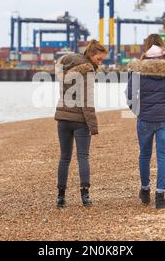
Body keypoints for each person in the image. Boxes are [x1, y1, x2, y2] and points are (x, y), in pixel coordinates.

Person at [126, 34, 165, 209]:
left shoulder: (137, 69)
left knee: (144, 154)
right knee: (163, 156)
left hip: (144, 118)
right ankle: (160, 196)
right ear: (164, 47)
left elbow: (130, 96)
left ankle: (145, 190)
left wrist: (138, 111)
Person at [54, 40, 108, 208]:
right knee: (83, 157)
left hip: (62, 118)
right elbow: (87, 100)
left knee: (64, 158)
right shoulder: (87, 71)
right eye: (99, 59)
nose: (100, 62)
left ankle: (61, 196)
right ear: (91, 56)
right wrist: (93, 125)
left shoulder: (65, 67)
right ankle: (85, 195)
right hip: (79, 120)